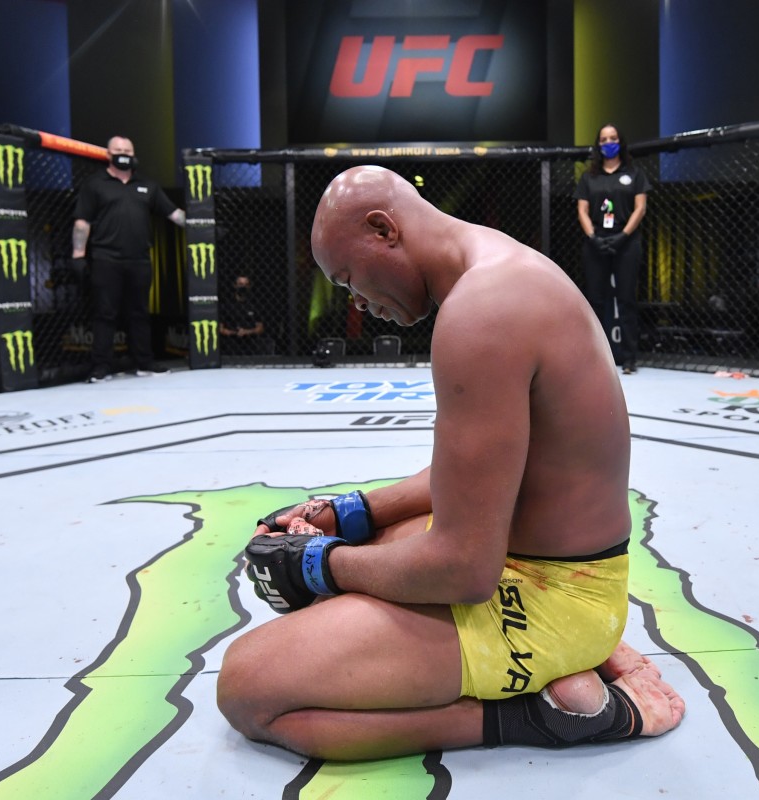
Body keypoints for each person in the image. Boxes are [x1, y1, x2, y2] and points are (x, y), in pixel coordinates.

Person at [216, 165, 684, 761]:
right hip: (564, 573)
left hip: (551, 600)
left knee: (248, 687)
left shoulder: (483, 311)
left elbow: (464, 569)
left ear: (383, 229)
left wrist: (318, 564)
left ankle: (547, 716)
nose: (355, 301)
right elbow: (473, 483)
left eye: (348, 279)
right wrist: (349, 513)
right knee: (368, 551)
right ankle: (575, 657)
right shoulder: (497, 269)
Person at [71, 135, 186, 382]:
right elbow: (82, 221)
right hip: (105, 258)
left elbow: (174, 214)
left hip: (139, 259)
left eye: (127, 151)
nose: (123, 154)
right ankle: (101, 367)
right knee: (105, 313)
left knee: (139, 313)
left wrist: (203, 225)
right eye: (118, 150)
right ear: (108, 154)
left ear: (134, 154)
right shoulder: (95, 184)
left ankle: (144, 362)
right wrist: (78, 255)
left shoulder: (147, 185)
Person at [574, 124, 651, 374]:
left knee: (627, 299)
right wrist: (593, 236)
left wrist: (623, 235)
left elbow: (640, 208)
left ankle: (629, 358)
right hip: (596, 242)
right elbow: (582, 210)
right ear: (598, 144)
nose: (609, 143)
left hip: (626, 242)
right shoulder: (589, 177)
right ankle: (595, 358)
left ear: (621, 142)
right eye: (604, 139)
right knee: (595, 300)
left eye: (613, 138)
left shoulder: (634, 174)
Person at [219, 274, 269, 355]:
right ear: (235, 285)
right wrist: (235, 333)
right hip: (230, 346)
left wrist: (247, 332)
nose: (243, 287)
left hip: (251, 346)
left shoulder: (254, 304)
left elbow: (260, 328)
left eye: (246, 284)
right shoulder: (226, 305)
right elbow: (220, 328)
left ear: (249, 286)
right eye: (240, 284)